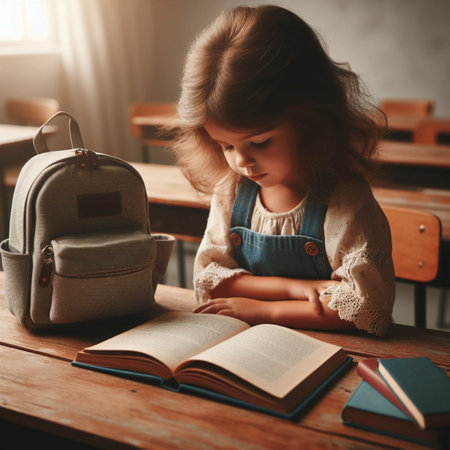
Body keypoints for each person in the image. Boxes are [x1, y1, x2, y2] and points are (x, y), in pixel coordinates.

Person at [173, 5, 395, 336]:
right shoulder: (232, 191)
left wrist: (266, 310)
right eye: (227, 146)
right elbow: (209, 282)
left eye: (260, 142)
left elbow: (365, 307)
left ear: (311, 120)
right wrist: (292, 289)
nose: (242, 162)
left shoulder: (345, 200)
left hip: (335, 351)